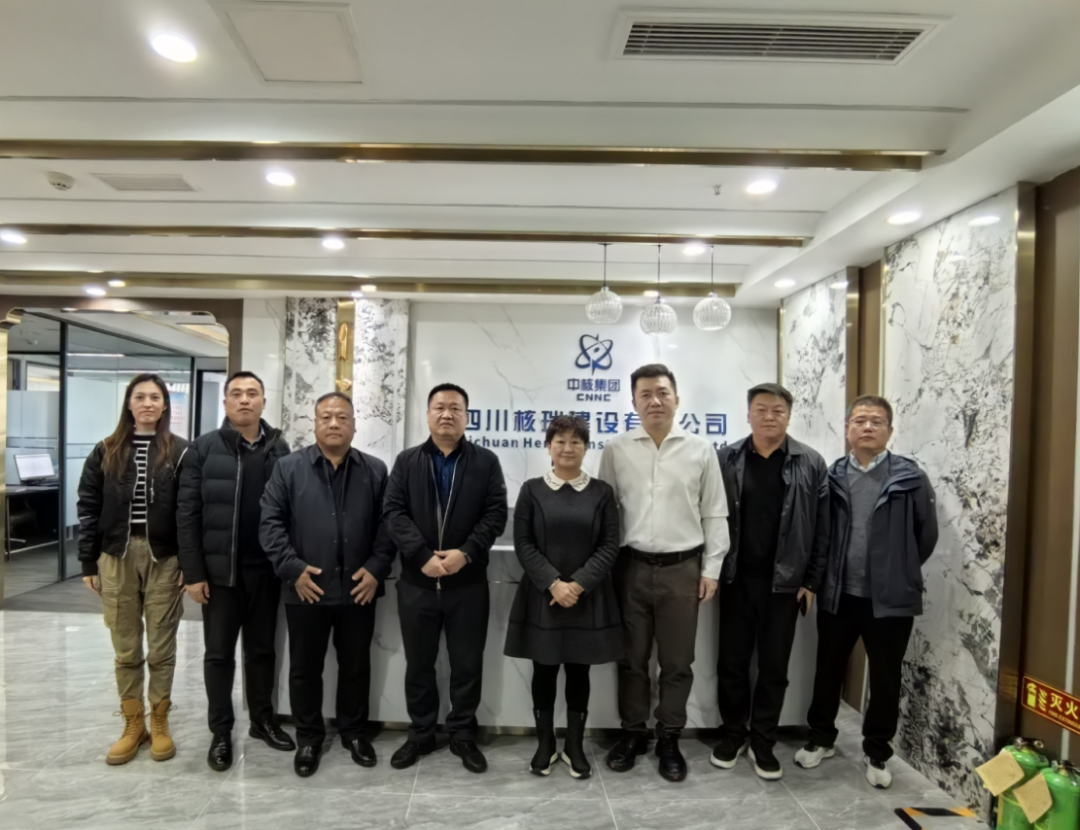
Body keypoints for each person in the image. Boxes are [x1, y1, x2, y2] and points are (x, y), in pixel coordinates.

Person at [795, 395, 938, 789]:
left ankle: (877, 750)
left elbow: (925, 535)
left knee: (886, 677)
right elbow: (819, 534)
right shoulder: (831, 476)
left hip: (890, 600)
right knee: (828, 670)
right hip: (839, 594)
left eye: (876, 421)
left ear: (890, 430)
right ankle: (821, 737)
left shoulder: (910, 478)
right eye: (859, 420)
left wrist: (898, 571)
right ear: (847, 429)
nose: (867, 427)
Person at [598, 364, 729, 782]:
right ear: (633, 402)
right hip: (630, 568)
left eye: (662, 392)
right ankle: (633, 734)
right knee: (631, 660)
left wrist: (711, 569)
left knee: (677, 662)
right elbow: (606, 513)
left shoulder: (700, 449)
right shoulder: (616, 449)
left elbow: (715, 512)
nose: (654, 401)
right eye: (645, 394)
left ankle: (669, 737)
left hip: (683, 570)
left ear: (676, 398)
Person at [259, 392, 396, 778]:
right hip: (306, 589)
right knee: (305, 669)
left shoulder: (375, 470)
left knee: (356, 666)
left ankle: (354, 733)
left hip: (358, 589)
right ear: (315, 423)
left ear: (354, 424)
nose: (334, 423)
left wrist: (376, 568)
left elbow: (389, 526)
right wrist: (293, 570)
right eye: (326, 417)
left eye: (342, 417)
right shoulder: (288, 468)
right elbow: (270, 523)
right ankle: (308, 737)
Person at [383, 383, 508, 774]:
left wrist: (465, 553)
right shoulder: (407, 461)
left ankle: (462, 735)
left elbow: (495, 514)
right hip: (417, 584)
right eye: (439, 407)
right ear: (427, 414)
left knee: (467, 665)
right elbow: (393, 512)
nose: (447, 414)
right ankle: (421, 734)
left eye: (455, 408)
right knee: (419, 664)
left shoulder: (485, 462)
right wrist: (421, 556)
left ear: (466, 416)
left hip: (467, 585)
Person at [177, 370, 294, 773]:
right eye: (237, 393)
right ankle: (221, 730)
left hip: (266, 571)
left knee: (262, 651)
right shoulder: (203, 449)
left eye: (253, 393)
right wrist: (193, 573)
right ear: (226, 402)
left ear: (263, 402)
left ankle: (263, 720)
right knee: (219, 655)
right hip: (219, 574)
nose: (245, 399)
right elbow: (187, 514)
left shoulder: (280, 448)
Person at [712, 383, 829, 780]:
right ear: (748, 414)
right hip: (735, 578)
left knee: (774, 666)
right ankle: (732, 734)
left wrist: (812, 580)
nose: (768, 416)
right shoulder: (727, 458)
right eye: (760, 409)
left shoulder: (810, 463)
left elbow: (823, 528)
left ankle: (762, 740)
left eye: (777, 410)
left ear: (788, 416)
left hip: (786, 584)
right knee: (732, 662)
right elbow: (709, 517)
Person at [77, 373, 190, 766]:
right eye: (139, 397)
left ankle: (159, 720)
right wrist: (88, 560)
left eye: (154, 397)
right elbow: (88, 506)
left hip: (165, 558)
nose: (147, 404)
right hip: (116, 556)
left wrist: (189, 563)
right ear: (129, 403)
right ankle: (133, 723)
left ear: (164, 405)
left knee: (161, 646)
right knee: (125, 647)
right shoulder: (106, 450)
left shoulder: (180, 451)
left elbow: (189, 511)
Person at [504, 415, 622, 780]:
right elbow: (523, 543)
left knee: (578, 670)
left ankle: (574, 745)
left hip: (587, 598)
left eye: (575, 441)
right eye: (560, 441)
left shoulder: (602, 492)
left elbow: (610, 544)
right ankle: (545, 743)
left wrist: (579, 584)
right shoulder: (531, 490)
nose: (567, 448)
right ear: (548, 446)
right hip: (544, 597)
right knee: (544, 668)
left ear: (586, 448)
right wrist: (553, 583)